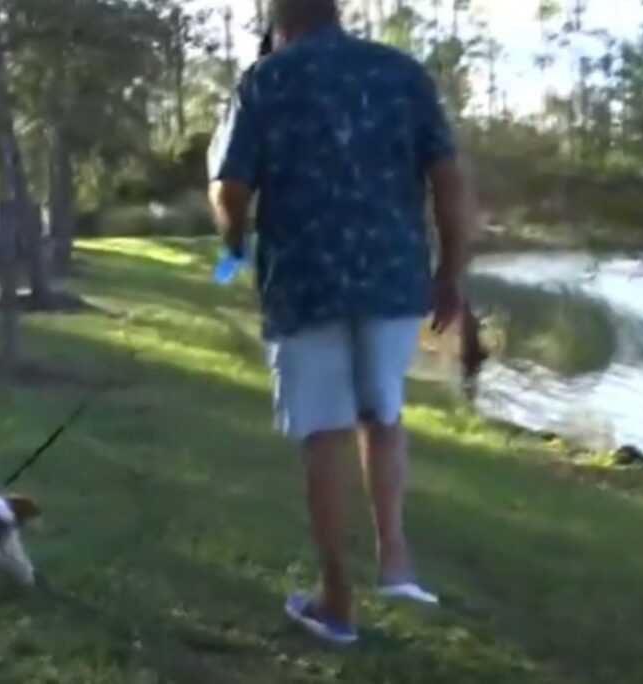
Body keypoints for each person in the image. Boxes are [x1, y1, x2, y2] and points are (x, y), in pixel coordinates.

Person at [208, 0, 477, 644]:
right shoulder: (402, 74)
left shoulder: (265, 79)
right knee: (383, 417)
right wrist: (452, 274)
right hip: (391, 280)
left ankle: (336, 601)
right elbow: (451, 185)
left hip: (305, 284)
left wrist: (232, 242)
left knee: (324, 435)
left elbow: (229, 188)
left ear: (279, 21)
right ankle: (396, 561)